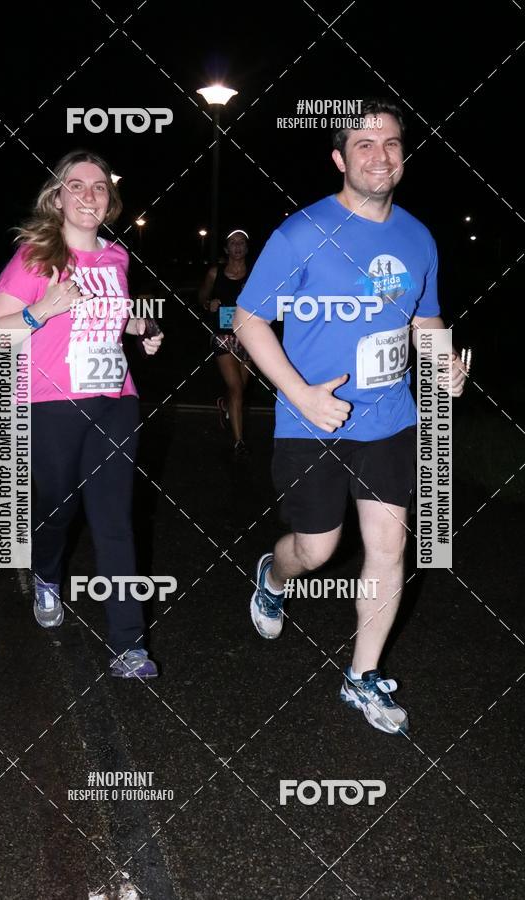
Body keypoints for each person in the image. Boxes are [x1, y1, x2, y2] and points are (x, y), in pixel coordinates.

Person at [234, 100, 466, 734]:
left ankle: (360, 678)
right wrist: (300, 394)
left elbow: (425, 319)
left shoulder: (418, 237)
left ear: (402, 154)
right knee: (316, 549)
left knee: (390, 546)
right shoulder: (301, 233)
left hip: (390, 417)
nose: (379, 155)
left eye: (390, 143)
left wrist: (443, 367)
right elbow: (248, 320)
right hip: (313, 420)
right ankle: (272, 572)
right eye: (364, 144)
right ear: (339, 158)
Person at [0, 150, 163, 680]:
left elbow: (111, 317)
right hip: (48, 402)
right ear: (56, 196)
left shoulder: (116, 258)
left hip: (115, 399)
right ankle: (46, 573)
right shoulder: (37, 254)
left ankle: (130, 646)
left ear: (110, 200)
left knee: (114, 519)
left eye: (100, 187)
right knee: (57, 508)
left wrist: (140, 330)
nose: (89, 194)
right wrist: (43, 309)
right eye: (76, 185)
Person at [199, 230, 252, 457]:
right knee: (236, 387)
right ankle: (239, 442)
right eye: (233, 243)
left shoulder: (256, 273)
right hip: (222, 336)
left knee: (241, 387)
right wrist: (208, 303)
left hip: (250, 336)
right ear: (226, 249)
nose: (237, 246)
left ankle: (224, 405)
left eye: (241, 243)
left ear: (247, 248)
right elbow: (201, 297)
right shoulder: (215, 272)